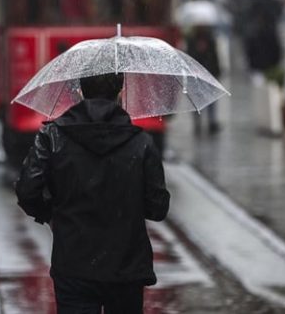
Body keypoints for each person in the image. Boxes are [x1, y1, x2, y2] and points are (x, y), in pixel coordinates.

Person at [16, 72, 170, 314]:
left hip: (73, 264)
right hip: (126, 267)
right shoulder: (141, 143)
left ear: (80, 91)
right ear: (120, 93)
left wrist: (52, 215)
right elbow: (158, 208)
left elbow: (27, 191)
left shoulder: (53, 136)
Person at [186, 25, 222, 134]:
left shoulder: (210, 39)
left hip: (209, 73)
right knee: (197, 100)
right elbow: (189, 57)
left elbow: (214, 57)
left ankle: (212, 122)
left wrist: (217, 71)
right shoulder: (192, 40)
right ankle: (197, 123)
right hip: (196, 75)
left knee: (211, 100)